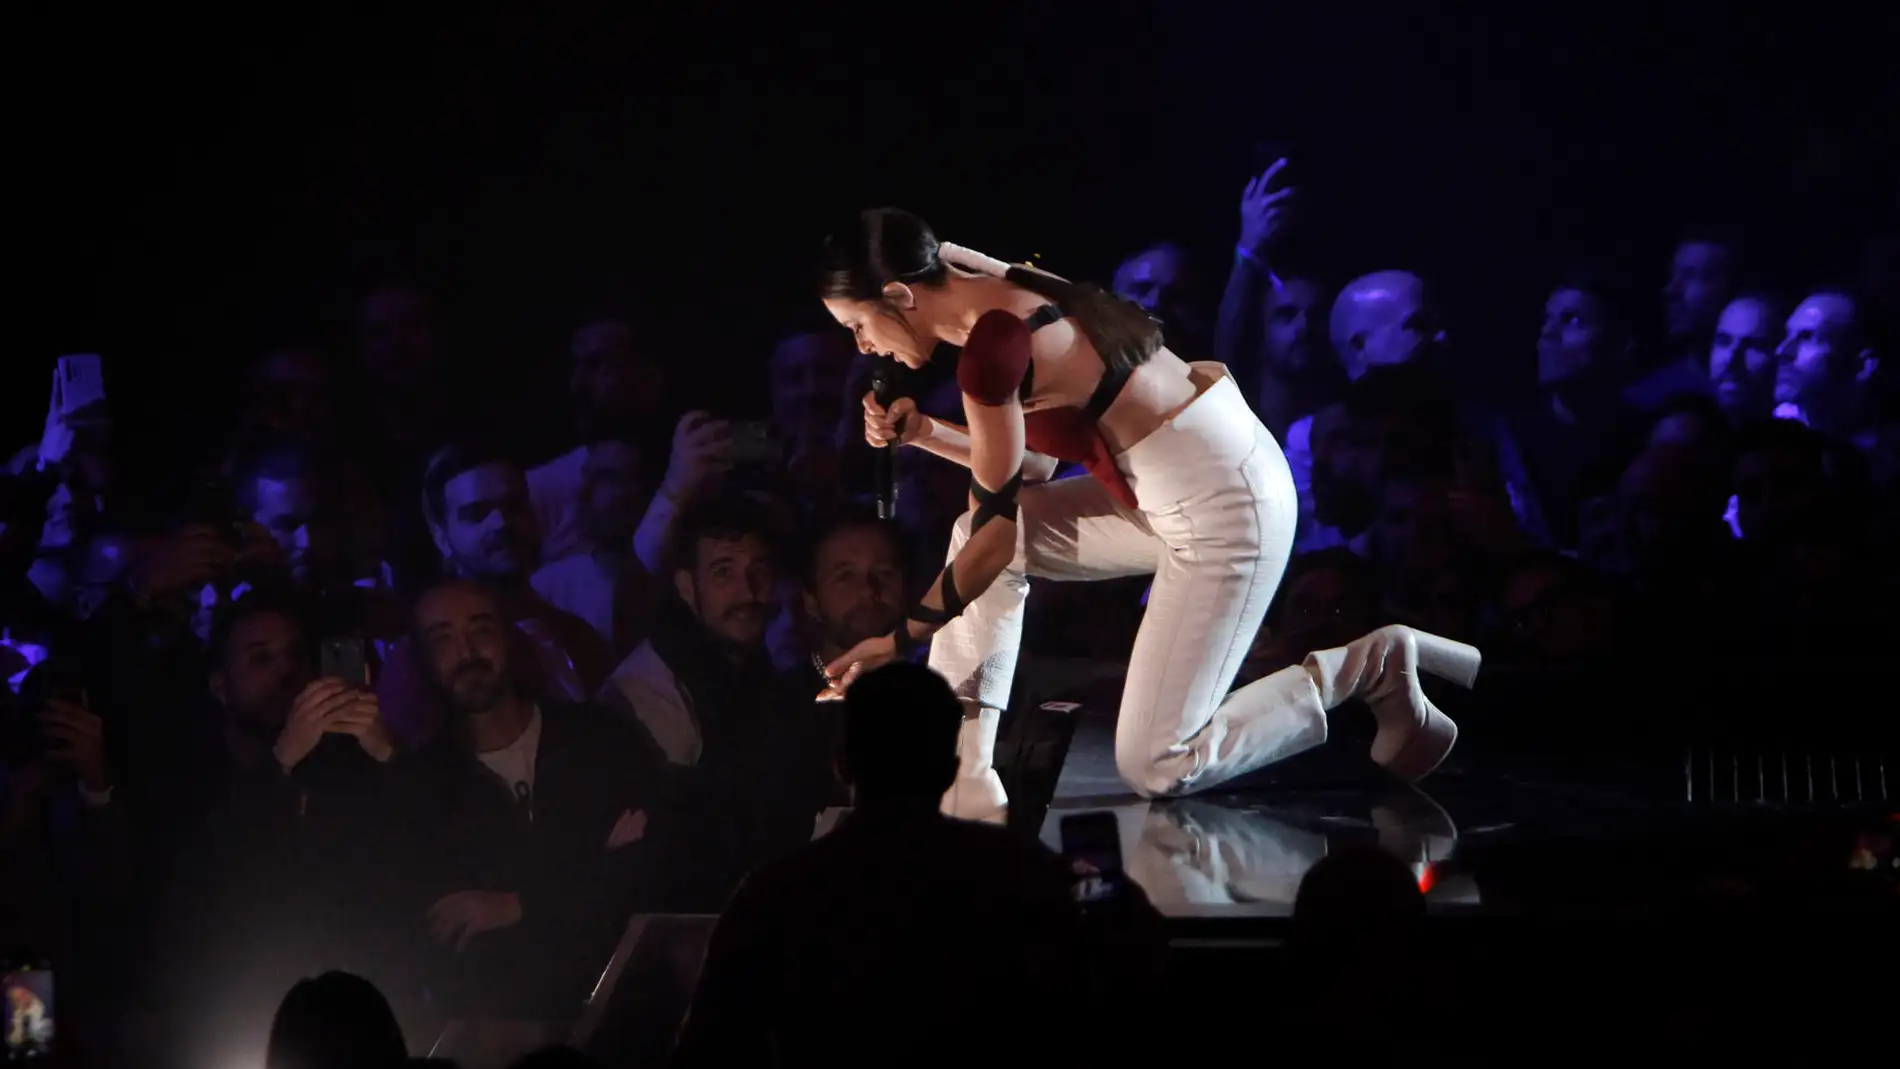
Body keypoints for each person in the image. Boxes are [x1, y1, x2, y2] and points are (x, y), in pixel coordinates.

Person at [818, 208, 1480, 820]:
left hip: (1227, 506)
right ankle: (966, 776)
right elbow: (1033, 472)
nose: (862, 347)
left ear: (900, 298)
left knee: (1158, 762)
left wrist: (897, 638)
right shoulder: (1004, 300)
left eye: (858, 326)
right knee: (981, 530)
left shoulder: (995, 349)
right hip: (1174, 486)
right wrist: (925, 432)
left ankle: (1368, 667)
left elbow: (993, 540)